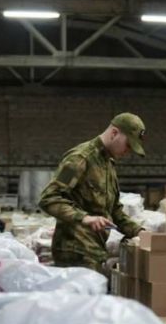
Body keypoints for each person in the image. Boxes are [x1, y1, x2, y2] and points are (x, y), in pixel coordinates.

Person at [39, 113, 147, 272]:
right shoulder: (80, 159)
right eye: (128, 145)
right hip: (75, 253)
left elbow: (114, 211)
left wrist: (138, 231)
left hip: (94, 251)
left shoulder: (108, 164)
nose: (128, 151)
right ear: (114, 133)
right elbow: (49, 198)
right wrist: (85, 218)